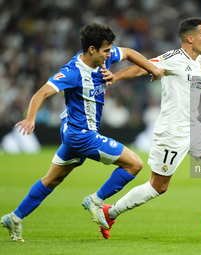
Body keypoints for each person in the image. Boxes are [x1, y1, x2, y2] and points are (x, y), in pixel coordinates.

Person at [0, 22, 164, 242]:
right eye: (105, 51)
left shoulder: (100, 59)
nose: (109, 55)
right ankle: (96, 200)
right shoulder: (72, 72)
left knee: (51, 180)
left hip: (72, 133)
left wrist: (153, 69)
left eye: (109, 50)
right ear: (92, 49)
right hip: (82, 135)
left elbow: (129, 53)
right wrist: (30, 118)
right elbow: (41, 93)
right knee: (134, 164)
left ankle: (15, 217)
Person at [98, 17, 201, 239]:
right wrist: (114, 77)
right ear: (190, 38)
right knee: (158, 187)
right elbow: (141, 68)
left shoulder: (199, 62)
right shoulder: (173, 58)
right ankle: (111, 211)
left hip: (193, 127)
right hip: (172, 131)